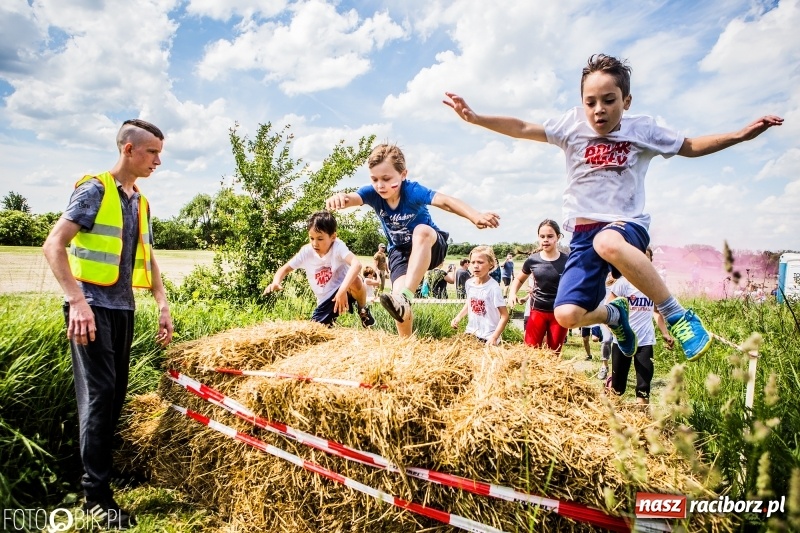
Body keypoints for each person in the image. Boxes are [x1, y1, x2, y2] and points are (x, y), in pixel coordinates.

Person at [444, 54, 783, 361]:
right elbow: (522, 128)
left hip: (627, 224)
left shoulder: (642, 130)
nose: (599, 110)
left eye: (609, 100)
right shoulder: (571, 126)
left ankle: (678, 314)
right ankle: (614, 316)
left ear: (627, 100)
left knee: (606, 242)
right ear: (581, 103)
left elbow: (690, 146)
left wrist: (739, 135)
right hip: (581, 234)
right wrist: (476, 118)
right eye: (590, 102)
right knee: (567, 315)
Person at [42, 119, 174, 529]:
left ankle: (99, 477)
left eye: (160, 152)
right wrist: (77, 302)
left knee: (113, 396)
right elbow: (54, 244)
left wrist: (163, 303)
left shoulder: (140, 200)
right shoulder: (95, 189)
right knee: (98, 398)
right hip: (91, 308)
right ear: (128, 149)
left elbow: (146, 255)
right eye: (152, 152)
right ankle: (95, 497)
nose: (158, 160)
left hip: (122, 308)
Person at [325, 144, 499, 337]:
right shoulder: (372, 193)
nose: (380, 185)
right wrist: (340, 197)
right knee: (397, 301)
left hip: (431, 245)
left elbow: (446, 201)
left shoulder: (412, 191)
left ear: (403, 174)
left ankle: (407, 296)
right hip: (400, 252)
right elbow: (352, 198)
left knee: (421, 230)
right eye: (374, 179)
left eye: (386, 179)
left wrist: (474, 215)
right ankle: (405, 344)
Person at [264, 211, 375, 328]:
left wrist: (342, 290)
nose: (314, 243)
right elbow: (285, 269)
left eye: (320, 239)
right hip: (326, 299)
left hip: (345, 289)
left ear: (333, 237)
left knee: (356, 280)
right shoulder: (306, 252)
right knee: (316, 330)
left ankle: (363, 311)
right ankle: (329, 322)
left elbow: (356, 264)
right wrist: (276, 282)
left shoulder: (338, 246)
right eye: (311, 238)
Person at [607, 247, 674, 404]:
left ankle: (642, 423)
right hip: (622, 340)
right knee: (618, 388)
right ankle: (612, 418)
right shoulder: (623, 283)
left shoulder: (654, 284)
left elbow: (656, 312)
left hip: (645, 341)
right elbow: (608, 307)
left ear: (650, 262)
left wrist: (665, 333)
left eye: (646, 258)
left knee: (643, 387)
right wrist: (613, 326)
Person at [507, 219, 569, 353]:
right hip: (537, 311)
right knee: (530, 352)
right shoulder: (533, 260)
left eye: (550, 236)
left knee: (554, 354)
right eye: (542, 236)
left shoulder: (567, 261)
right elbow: (519, 279)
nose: (545, 240)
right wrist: (512, 293)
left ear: (558, 237)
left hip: (558, 314)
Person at [451, 245, 509, 345]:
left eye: (480, 262)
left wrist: (494, 337)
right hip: (471, 333)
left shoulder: (493, 288)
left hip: (488, 337)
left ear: (491, 264)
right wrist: (458, 317)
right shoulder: (469, 283)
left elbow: (504, 316)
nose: (476, 266)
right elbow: (470, 303)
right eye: (473, 262)